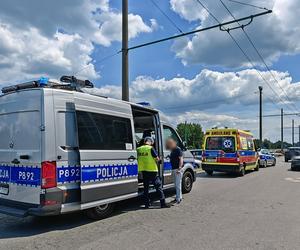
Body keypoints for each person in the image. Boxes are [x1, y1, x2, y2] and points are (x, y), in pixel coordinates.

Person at [137, 137, 169, 208]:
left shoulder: (138, 149)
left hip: (144, 171)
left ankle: (146, 204)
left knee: (146, 188)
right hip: (152, 171)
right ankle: (163, 203)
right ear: (150, 142)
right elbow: (157, 159)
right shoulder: (150, 148)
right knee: (158, 187)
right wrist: (160, 161)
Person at [166, 138, 184, 204]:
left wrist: (179, 168)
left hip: (177, 169)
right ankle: (178, 197)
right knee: (176, 184)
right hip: (174, 169)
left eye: (170, 143)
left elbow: (181, 159)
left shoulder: (177, 149)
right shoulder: (173, 150)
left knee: (178, 184)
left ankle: (178, 199)